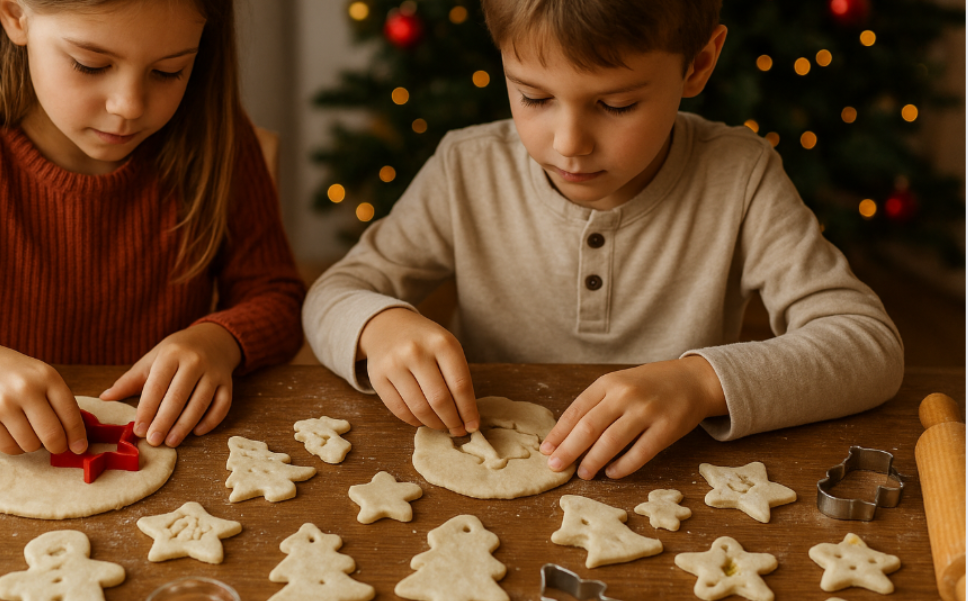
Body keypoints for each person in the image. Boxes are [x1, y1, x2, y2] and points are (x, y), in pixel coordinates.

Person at [303, 0, 903, 480]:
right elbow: (337, 291)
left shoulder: (739, 176)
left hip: (676, 483)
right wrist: (377, 327)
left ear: (697, 64)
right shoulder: (467, 168)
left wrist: (698, 384)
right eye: (533, 97)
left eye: (616, 104)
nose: (569, 142)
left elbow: (868, 346)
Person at [0, 0, 304, 457]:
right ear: (14, 13)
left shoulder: (218, 141)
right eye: (90, 64)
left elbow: (276, 295)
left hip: (165, 456)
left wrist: (219, 341)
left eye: (168, 71)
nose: (127, 105)